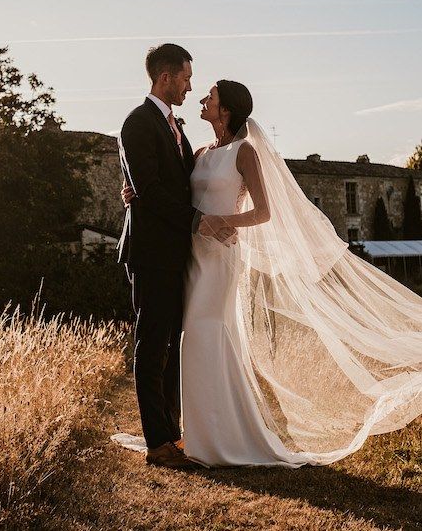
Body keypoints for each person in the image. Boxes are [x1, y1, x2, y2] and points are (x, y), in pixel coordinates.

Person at [114, 78, 422, 468]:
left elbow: (263, 212)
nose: (202, 98)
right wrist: (132, 191)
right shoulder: (200, 151)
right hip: (192, 257)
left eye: (210, 96)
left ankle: (226, 435)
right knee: (191, 338)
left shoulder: (245, 153)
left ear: (225, 110)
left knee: (210, 333)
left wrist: (217, 222)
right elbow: (169, 189)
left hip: (222, 255)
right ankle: (195, 433)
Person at [116, 45, 235, 470]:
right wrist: (199, 221)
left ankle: (172, 432)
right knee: (151, 346)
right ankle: (157, 443)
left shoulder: (174, 126)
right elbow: (150, 187)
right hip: (150, 253)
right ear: (166, 78)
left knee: (172, 346)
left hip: (177, 253)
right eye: (186, 78)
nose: (190, 86)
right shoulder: (137, 123)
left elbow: (171, 183)